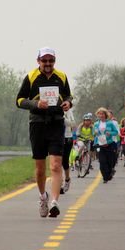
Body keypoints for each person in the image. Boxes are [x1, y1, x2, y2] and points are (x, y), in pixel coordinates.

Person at [16, 47, 73, 218]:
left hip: (56, 123)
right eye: (44, 60)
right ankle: (43, 197)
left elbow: (69, 96)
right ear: (38, 61)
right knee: (40, 169)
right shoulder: (31, 77)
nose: (48, 64)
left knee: (55, 165)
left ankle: (55, 202)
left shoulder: (61, 76)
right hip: (37, 124)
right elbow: (19, 100)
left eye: (51, 60)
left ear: (54, 61)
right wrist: (35, 104)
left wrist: (68, 104)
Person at [93, 107, 118, 183]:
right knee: (102, 161)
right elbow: (93, 133)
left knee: (110, 161)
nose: (101, 115)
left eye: (102, 114)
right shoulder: (96, 124)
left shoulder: (110, 123)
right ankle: (105, 177)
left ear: (105, 115)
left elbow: (116, 132)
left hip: (109, 144)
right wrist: (95, 133)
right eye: (99, 114)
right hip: (100, 144)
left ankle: (110, 173)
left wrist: (110, 133)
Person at [61, 109, 76, 194]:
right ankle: (59, 182)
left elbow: (72, 124)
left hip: (67, 138)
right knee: (56, 161)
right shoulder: (52, 106)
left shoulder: (68, 111)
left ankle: (67, 179)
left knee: (64, 161)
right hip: (55, 137)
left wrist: (62, 118)